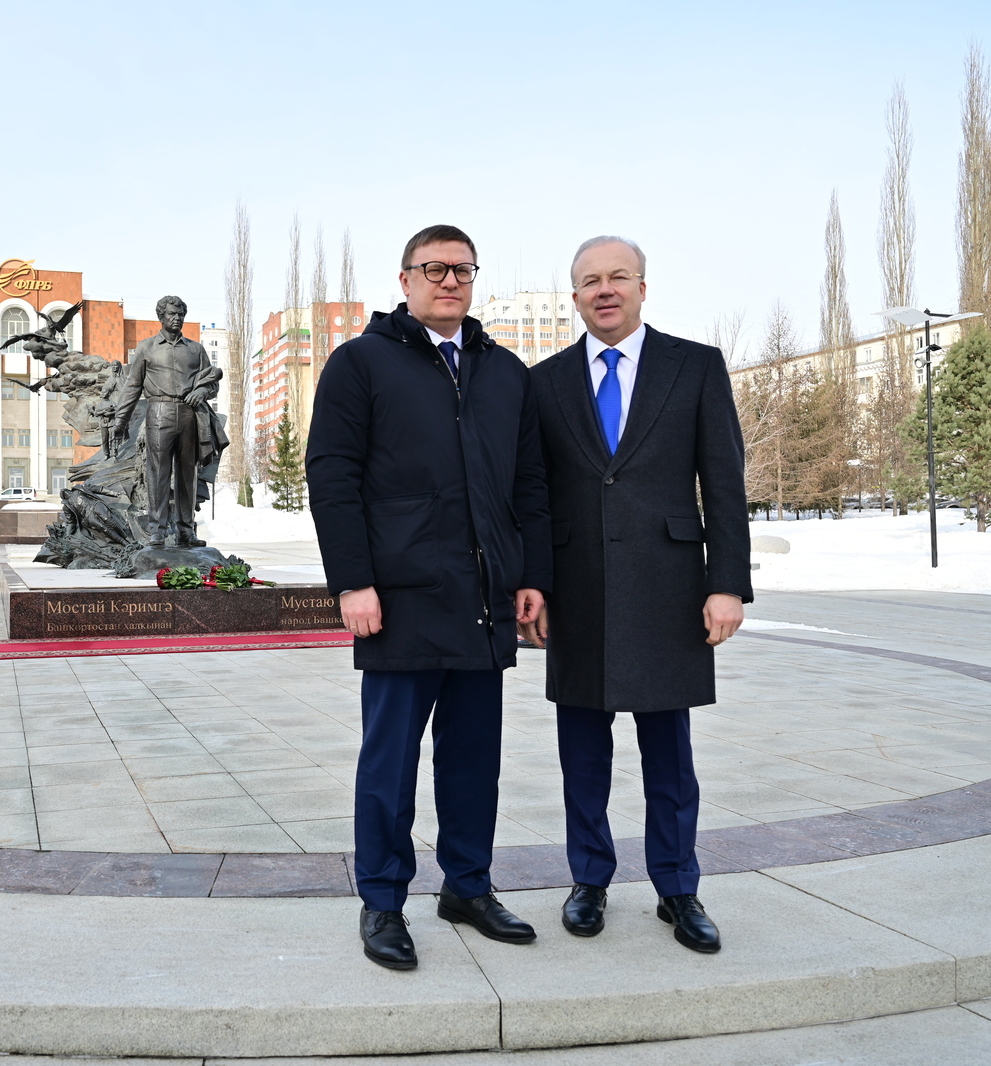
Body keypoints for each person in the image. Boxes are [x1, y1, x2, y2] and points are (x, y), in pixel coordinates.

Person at [307, 224, 552, 970]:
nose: (450, 281)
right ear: (406, 279)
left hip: (483, 603)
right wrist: (353, 582)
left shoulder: (506, 373)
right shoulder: (360, 365)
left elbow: (530, 488)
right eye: (434, 268)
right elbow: (333, 479)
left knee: (474, 760)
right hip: (400, 601)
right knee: (390, 763)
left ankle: (467, 886)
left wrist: (531, 576)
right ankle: (382, 901)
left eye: (463, 269)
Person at [523, 236, 751, 954]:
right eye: (590, 281)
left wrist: (727, 585)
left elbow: (724, 484)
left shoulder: (696, 367)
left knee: (669, 755)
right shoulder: (545, 381)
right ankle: (588, 879)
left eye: (618, 277)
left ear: (643, 288)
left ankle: (678, 888)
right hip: (577, 593)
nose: (605, 290)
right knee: (582, 754)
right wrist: (535, 584)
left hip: (669, 589)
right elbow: (533, 495)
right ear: (576, 297)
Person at [110, 296, 221, 548]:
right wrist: (121, 421)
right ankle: (157, 531)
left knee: (187, 474)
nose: (177, 318)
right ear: (161, 316)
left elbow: (211, 382)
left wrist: (202, 392)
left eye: (181, 314)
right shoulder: (146, 347)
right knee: (158, 473)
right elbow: (132, 387)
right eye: (172, 313)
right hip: (159, 412)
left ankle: (185, 530)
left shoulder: (196, 350)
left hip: (190, 413)